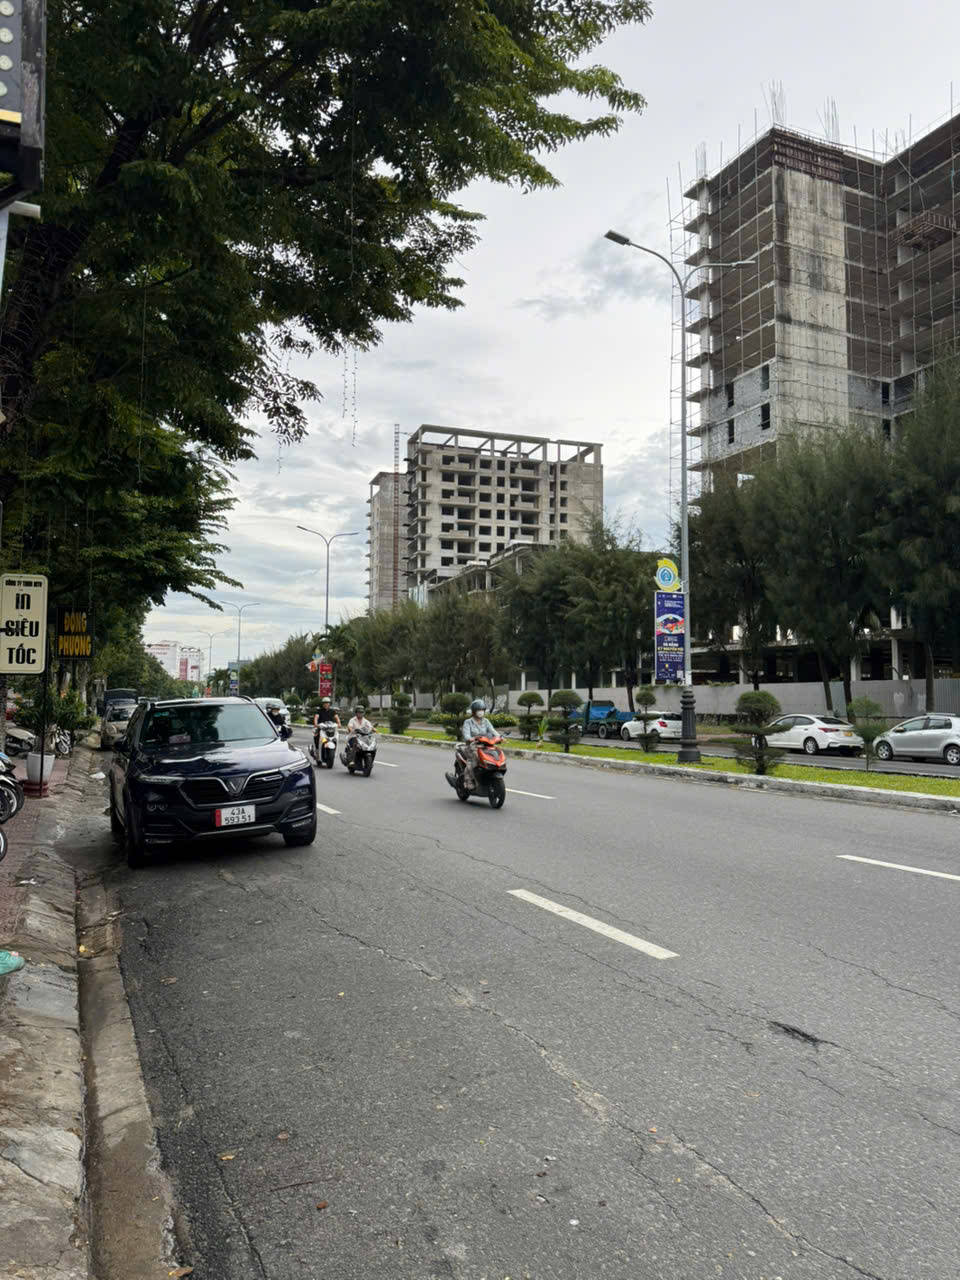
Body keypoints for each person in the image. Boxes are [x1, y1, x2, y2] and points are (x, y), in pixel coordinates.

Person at [460, 699, 497, 791]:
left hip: (485, 745)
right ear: (474, 711)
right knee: (475, 759)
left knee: (494, 756)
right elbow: (466, 735)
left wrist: (500, 737)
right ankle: (468, 780)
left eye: (482, 710)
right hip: (472, 746)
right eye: (478, 710)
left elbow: (493, 731)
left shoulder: (486, 721)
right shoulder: (468, 722)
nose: (481, 712)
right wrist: (470, 738)